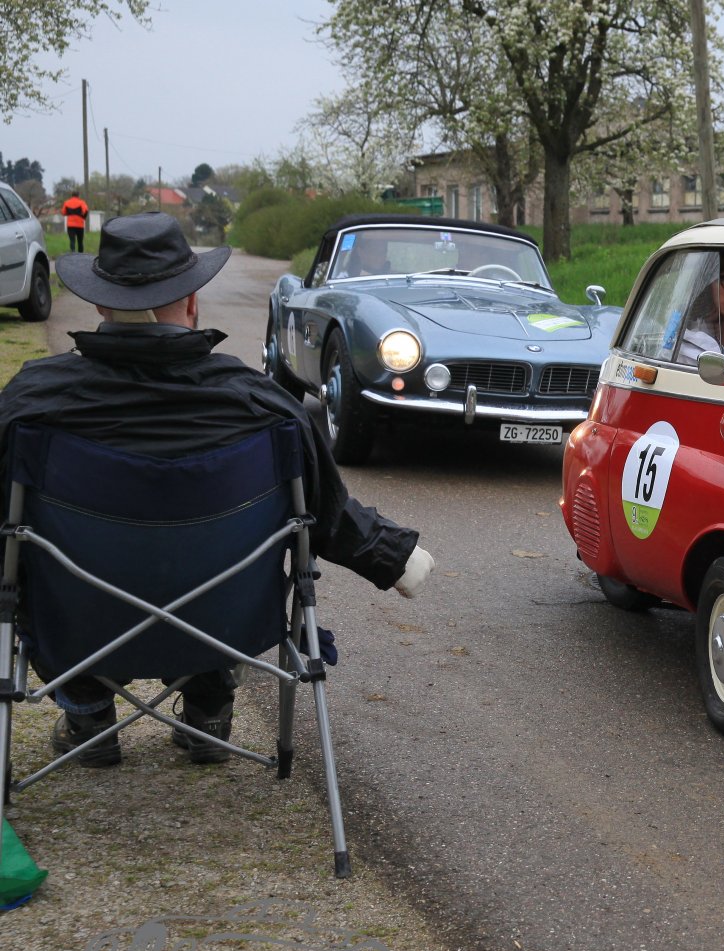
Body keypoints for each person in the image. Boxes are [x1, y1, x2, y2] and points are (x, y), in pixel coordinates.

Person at [0, 212, 435, 767]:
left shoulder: (30, 405)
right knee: (213, 566)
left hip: (77, 623)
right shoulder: (264, 407)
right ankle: (208, 707)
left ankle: (88, 712)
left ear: (102, 306)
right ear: (192, 301)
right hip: (224, 623)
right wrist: (391, 556)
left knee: (40, 567)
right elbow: (327, 516)